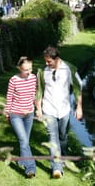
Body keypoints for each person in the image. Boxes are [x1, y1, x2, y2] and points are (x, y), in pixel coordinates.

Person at [36, 46, 83, 179]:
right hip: (48, 109)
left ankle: (62, 158)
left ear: (57, 59)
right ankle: (56, 168)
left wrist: (79, 107)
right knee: (52, 138)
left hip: (64, 109)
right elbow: (38, 91)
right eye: (45, 61)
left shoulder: (70, 69)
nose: (46, 64)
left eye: (49, 61)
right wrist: (39, 109)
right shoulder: (42, 72)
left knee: (63, 137)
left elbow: (78, 88)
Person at [4, 56, 37, 178]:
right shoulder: (14, 80)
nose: (29, 72)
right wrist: (7, 113)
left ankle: (22, 160)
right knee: (23, 140)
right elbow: (9, 97)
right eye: (25, 70)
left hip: (29, 114)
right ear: (19, 68)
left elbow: (34, 95)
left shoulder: (34, 78)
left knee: (25, 141)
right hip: (16, 114)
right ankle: (30, 168)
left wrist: (38, 109)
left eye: (30, 69)